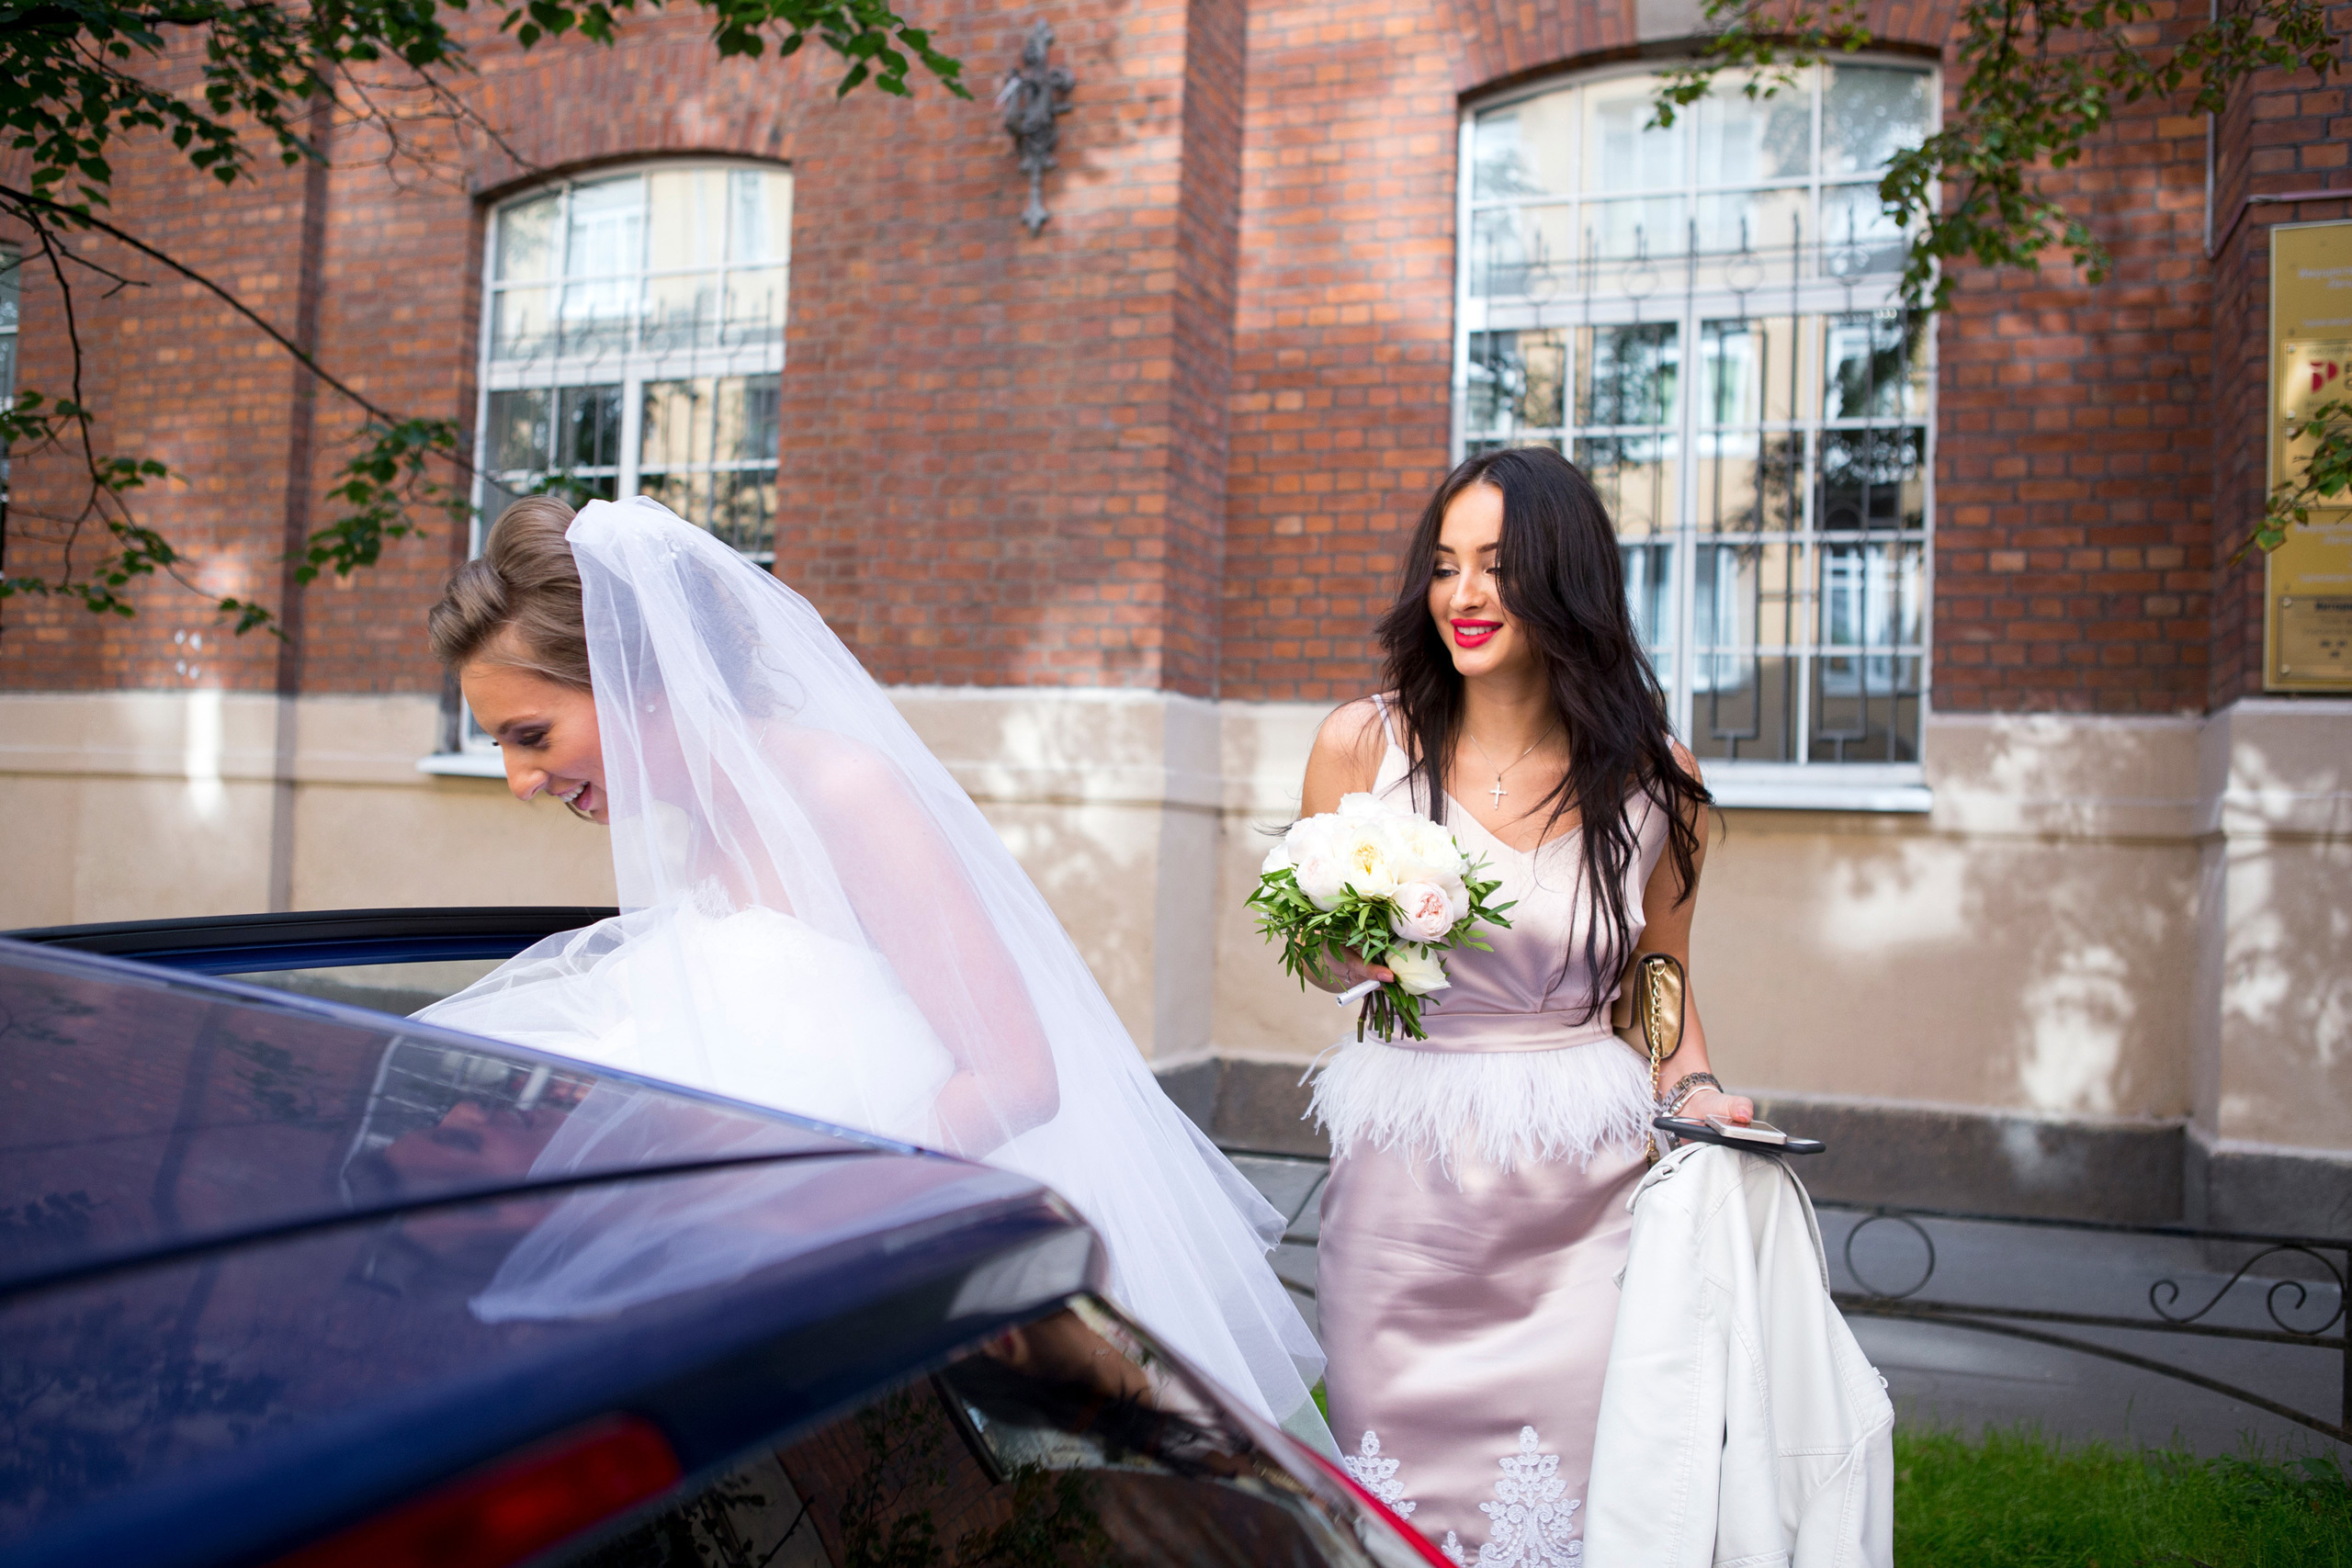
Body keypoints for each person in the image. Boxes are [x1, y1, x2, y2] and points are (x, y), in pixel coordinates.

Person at [416, 492, 1331, 1452]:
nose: (521, 782)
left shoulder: (841, 792)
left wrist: (793, 1221)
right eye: (502, 748)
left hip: (924, 1275)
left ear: (634, 676)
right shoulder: (707, 827)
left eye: (532, 735)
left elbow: (1017, 1079)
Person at [1295, 446, 1753, 1563]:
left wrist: (1693, 1085)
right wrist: (1347, 957)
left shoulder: (1659, 781)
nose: (1463, 594)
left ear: (1565, 578)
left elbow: (1658, 980)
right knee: (1388, 1502)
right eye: (1445, 566)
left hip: (1578, 1204)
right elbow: (1310, 952)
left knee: (1570, 1500)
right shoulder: (1363, 741)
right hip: (1407, 1195)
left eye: (1497, 565)